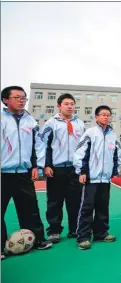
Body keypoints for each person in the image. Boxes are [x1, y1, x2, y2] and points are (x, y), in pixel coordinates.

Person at [1, 86, 52, 260]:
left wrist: (36, 166)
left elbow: (37, 145)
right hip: (3, 173)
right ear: (5, 100)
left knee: (30, 208)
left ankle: (38, 240)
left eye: (24, 98)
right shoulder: (1, 119)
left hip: (23, 173)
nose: (22, 100)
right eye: (17, 97)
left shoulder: (30, 121)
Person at [73, 105, 121, 250]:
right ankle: (83, 237)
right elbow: (81, 153)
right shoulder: (90, 133)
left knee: (102, 207)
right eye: (103, 114)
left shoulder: (113, 135)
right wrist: (82, 171)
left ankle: (101, 233)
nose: (106, 117)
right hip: (91, 178)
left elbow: (117, 155)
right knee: (87, 208)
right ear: (96, 117)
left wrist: (114, 173)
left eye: (108, 115)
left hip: (105, 179)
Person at [39, 93, 85, 243]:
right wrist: (46, 165)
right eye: (66, 104)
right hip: (56, 169)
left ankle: (75, 229)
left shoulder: (80, 124)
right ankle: (54, 231)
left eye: (72, 103)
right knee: (54, 201)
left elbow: (84, 147)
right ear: (59, 106)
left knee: (75, 201)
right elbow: (43, 145)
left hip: (74, 169)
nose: (70, 106)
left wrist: (83, 168)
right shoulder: (51, 123)